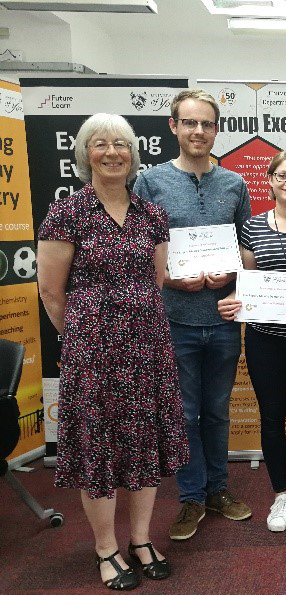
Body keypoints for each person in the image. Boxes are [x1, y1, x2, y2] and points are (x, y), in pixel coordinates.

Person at [37, 113, 189, 590]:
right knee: (98, 448)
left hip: (148, 347)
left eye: (120, 144)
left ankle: (141, 540)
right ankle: (106, 549)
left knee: (144, 444)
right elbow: (50, 292)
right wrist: (83, 337)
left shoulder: (152, 215)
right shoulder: (67, 211)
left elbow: (157, 279)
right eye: (99, 144)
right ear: (85, 154)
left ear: (133, 153)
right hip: (93, 351)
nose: (111, 152)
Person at [133, 89, 252, 541]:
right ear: (174, 127)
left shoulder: (234, 184)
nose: (198, 131)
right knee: (184, 414)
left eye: (207, 124)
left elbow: (246, 246)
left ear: (216, 129)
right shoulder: (151, 183)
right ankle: (191, 498)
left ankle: (218, 490)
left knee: (217, 411)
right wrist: (168, 280)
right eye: (190, 123)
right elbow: (140, 250)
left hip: (223, 318)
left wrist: (234, 272)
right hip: (175, 320)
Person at [217, 151, 286, 533]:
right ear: (269, 180)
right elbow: (248, 281)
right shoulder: (251, 227)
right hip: (264, 339)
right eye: (281, 176)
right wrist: (237, 300)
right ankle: (280, 493)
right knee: (272, 417)